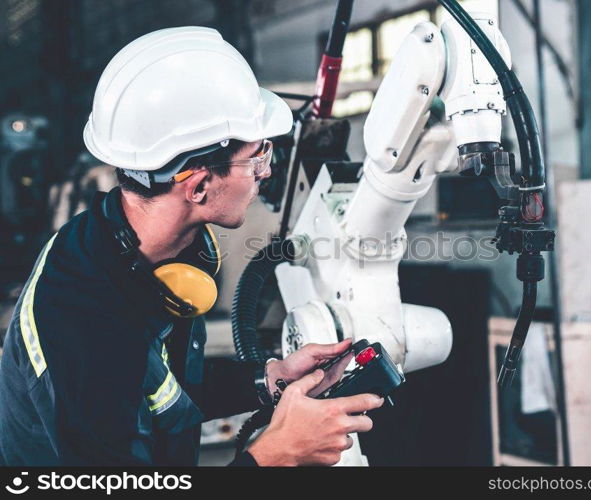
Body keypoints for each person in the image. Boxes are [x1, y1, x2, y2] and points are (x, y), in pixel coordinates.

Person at [0, 27, 383, 467]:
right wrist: (273, 455)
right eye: (258, 156)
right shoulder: (82, 328)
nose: (266, 172)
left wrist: (269, 378)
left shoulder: (143, 252)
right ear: (199, 185)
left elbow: (164, 389)